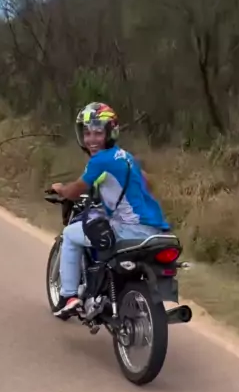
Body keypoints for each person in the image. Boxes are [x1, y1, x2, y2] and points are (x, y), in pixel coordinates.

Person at [51, 101, 170, 317]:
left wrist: (61, 189)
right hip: (154, 229)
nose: (91, 139)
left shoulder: (99, 161)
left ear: (110, 133)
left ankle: (69, 296)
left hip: (128, 229)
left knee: (70, 234)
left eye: (98, 133)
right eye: (87, 133)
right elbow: (147, 183)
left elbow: (75, 191)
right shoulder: (126, 156)